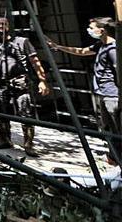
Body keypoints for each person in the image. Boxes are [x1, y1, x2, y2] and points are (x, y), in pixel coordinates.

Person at [48, 17, 120, 166]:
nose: (90, 30)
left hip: (112, 94)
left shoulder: (113, 48)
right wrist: (58, 47)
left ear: (102, 30)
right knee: (107, 128)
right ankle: (114, 156)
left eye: (92, 28)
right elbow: (81, 51)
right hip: (102, 93)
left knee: (117, 128)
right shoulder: (100, 45)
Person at [0, 17, 51, 156]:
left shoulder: (21, 41)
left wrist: (42, 80)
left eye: (4, 24)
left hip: (20, 83)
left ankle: (28, 144)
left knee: (26, 114)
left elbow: (35, 61)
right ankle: (4, 139)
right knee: (2, 114)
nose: (1, 26)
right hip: (0, 84)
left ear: (9, 26)